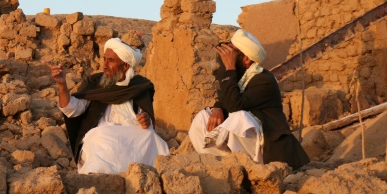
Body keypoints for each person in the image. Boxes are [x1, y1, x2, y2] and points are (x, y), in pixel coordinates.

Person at [188, 28, 310, 170]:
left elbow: (235, 105)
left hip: (268, 148)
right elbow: (226, 95)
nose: (228, 56)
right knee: (202, 117)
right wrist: (217, 108)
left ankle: (249, 168)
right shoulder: (240, 76)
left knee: (239, 118)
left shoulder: (264, 80)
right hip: (247, 143)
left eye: (233, 53)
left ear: (246, 59)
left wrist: (229, 68)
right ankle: (224, 165)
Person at [48, 37, 169, 174]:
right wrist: (62, 85)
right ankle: (98, 176)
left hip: (129, 138)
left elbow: (146, 118)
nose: (105, 65)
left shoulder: (139, 86)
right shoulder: (95, 83)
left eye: (111, 60)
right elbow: (71, 109)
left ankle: (146, 174)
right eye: (105, 59)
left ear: (125, 66)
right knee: (102, 135)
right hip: (103, 139)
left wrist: (146, 120)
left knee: (150, 136)